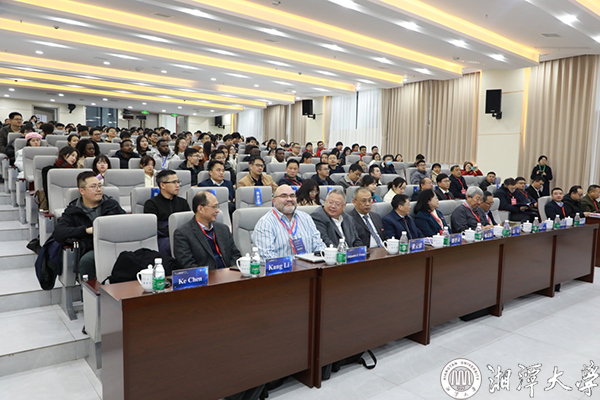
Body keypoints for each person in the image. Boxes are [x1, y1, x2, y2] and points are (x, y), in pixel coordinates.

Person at [53, 171, 126, 279]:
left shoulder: (111, 205)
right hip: (92, 248)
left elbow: (127, 223)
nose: (98, 189)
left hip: (116, 244)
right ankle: (88, 289)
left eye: (100, 186)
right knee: (87, 261)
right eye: (93, 187)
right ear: (82, 191)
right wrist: (86, 230)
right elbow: (58, 233)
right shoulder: (73, 210)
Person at [252, 185, 326, 260]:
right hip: (283, 267)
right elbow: (267, 257)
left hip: (309, 266)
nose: (289, 199)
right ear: (274, 201)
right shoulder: (265, 223)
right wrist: (294, 265)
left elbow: (319, 245)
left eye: (292, 195)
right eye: (283, 196)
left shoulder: (306, 218)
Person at [173, 191, 241, 270]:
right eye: (214, 207)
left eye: (217, 207)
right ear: (201, 209)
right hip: (205, 276)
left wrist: (231, 271)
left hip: (229, 273)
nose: (217, 211)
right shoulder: (182, 234)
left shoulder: (223, 229)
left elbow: (236, 255)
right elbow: (188, 265)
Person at [143, 169, 190, 257]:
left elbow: (188, 222)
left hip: (183, 235)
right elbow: (154, 227)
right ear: (162, 185)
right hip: (163, 237)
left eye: (178, 182)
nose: (177, 185)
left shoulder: (183, 202)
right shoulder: (151, 204)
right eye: (174, 182)